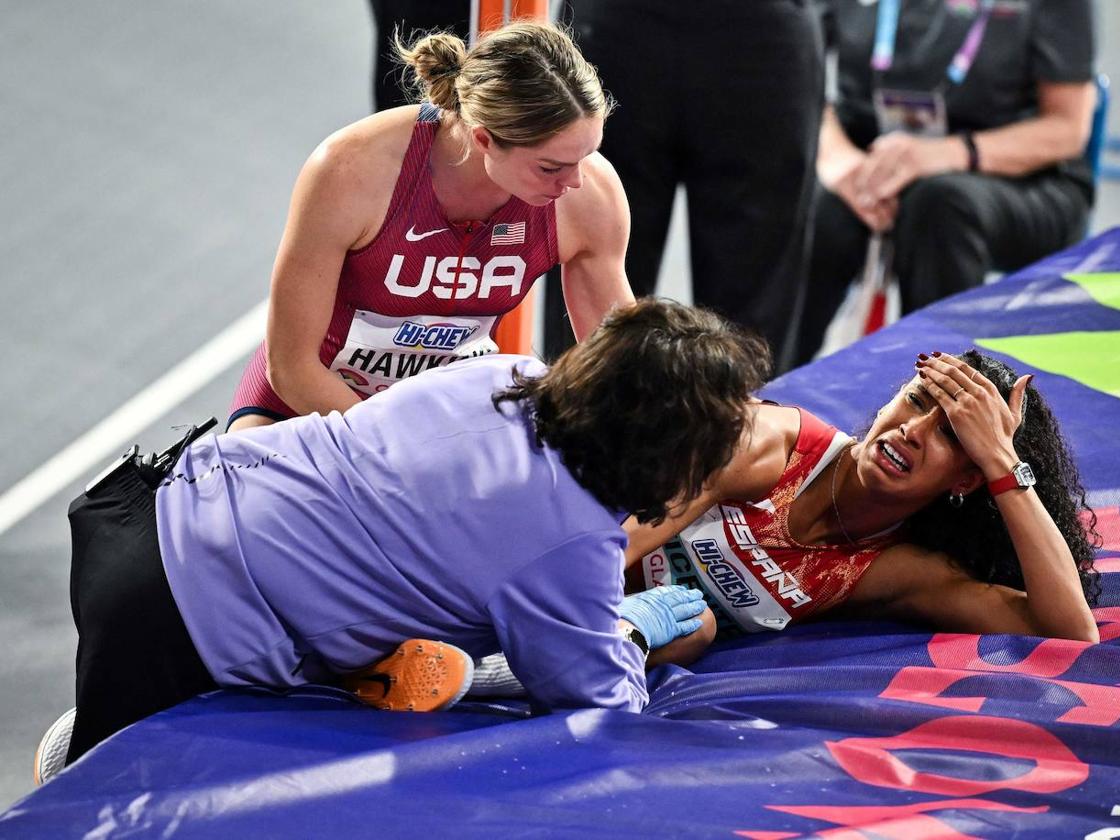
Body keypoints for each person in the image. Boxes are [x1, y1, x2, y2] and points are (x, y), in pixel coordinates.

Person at [61, 300, 772, 768]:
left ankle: (89, 733)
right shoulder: (570, 544)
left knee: (93, 764)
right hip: (182, 619)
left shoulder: (506, 374)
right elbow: (600, 707)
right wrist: (632, 631)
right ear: (667, 448)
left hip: (144, 513)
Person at [468, 349, 1100, 697]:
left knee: (693, 620)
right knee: (679, 609)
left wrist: (1003, 463)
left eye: (950, 434)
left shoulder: (895, 571)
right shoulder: (767, 445)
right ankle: (476, 641)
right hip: (549, 538)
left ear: (967, 481)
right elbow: (611, 541)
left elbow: (1068, 631)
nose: (912, 431)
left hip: (610, 628)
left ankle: (475, 676)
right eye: (916, 401)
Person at [228, 21, 635, 431]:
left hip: (451, 419)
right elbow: (291, 366)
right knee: (237, 491)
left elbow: (623, 374)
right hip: (314, 400)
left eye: (586, 155)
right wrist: (406, 447)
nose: (575, 182)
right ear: (484, 140)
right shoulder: (350, 170)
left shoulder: (590, 198)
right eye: (550, 167)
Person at [795, 0, 1097, 363]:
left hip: (1019, 176)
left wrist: (945, 154)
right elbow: (790, 72)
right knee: (810, 210)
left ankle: (937, 402)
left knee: (939, 205)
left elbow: (1066, 129)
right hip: (869, 156)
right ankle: (760, 395)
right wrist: (838, 159)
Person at [540, 0, 825, 372]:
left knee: (752, 336)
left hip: (764, 34)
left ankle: (747, 427)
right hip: (616, 26)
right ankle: (577, 427)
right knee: (587, 276)